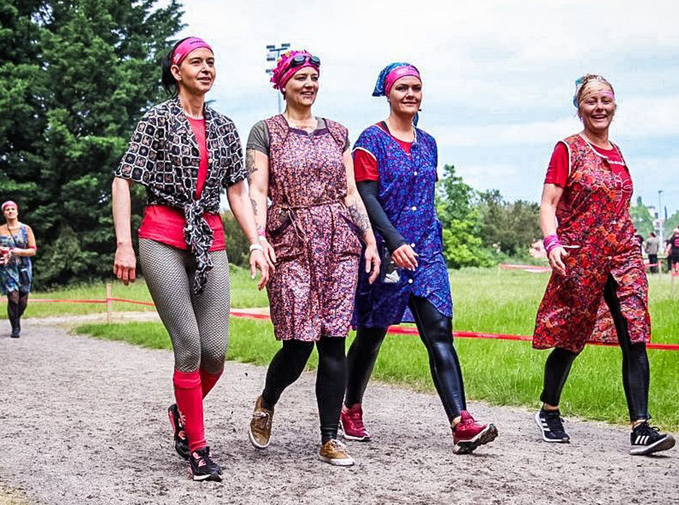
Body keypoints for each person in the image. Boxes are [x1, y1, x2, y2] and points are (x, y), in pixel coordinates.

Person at [112, 36, 268, 482]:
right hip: (161, 233)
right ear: (176, 70)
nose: (206, 68)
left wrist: (255, 242)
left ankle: (182, 410)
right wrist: (125, 244)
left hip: (210, 238)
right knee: (189, 346)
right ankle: (198, 451)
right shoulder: (156, 120)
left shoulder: (223, 126)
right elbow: (123, 180)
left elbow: (236, 190)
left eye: (211, 62)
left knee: (216, 353)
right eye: (196, 62)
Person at [344, 62, 498, 454]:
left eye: (416, 88)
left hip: (427, 252)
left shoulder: (429, 142)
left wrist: (419, 241)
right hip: (386, 252)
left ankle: (461, 422)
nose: (410, 94)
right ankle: (350, 406)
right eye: (402, 88)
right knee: (372, 335)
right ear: (388, 94)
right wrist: (392, 241)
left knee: (440, 333)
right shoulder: (370, 141)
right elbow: (368, 196)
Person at [246, 50, 380, 467]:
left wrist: (370, 240)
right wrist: (259, 239)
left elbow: (351, 191)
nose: (308, 84)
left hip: (340, 239)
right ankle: (268, 398)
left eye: (314, 77)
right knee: (299, 341)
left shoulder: (338, 132)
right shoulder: (265, 131)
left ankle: (328, 437)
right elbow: (257, 190)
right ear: (282, 83)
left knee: (334, 339)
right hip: (291, 240)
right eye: (300, 77)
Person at [534, 74, 675, 456]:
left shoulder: (617, 151)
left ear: (615, 104)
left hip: (625, 254)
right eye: (591, 101)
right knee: (572, 337)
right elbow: (548, 203)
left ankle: (641, 427)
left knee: (635, 332)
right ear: (579, 108)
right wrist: (552, 243)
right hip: (583, 256)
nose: (599, 107)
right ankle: (549, 408)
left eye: (606, 100)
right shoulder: (568, 149)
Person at [0, 201, 37, 338]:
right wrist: (0, 251)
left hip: (23, 266)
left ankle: (16, 317)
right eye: (7, 209)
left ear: (17, 212)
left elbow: (33, 250)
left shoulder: (26, 229)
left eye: (13, 209)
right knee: (13, 296)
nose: (10, 211)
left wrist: (19, 251)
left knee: (23, 299)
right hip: (7, 267)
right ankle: (15, 328)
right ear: (4, 213)